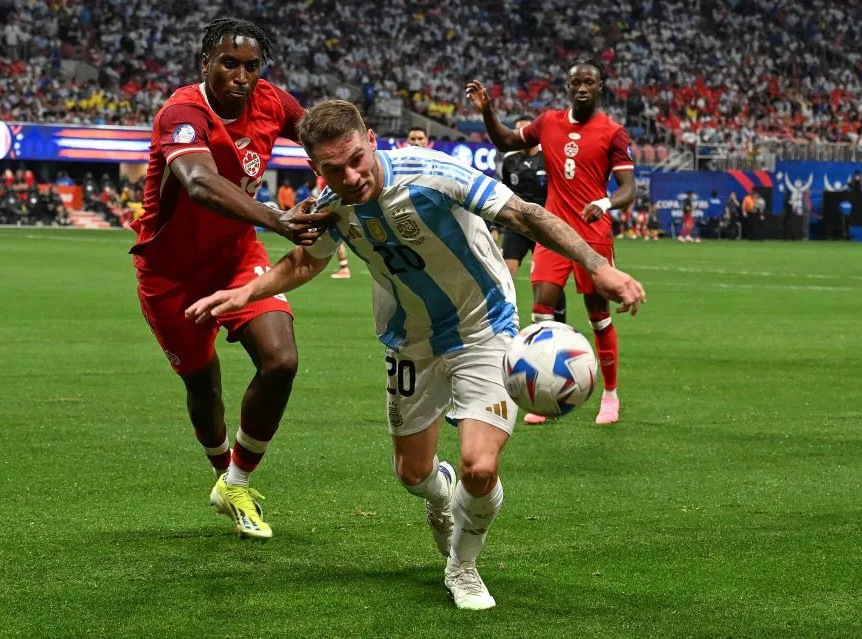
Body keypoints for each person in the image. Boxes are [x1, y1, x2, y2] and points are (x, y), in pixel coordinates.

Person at [186, 100, 646, 610]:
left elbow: (525, 214)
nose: (351, 176)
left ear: (371, 140)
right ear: (316, 167)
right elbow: (304, 262)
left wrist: (597, 266)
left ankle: (463, 567)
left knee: (479, 466)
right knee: (412, 473)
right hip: (410, 340)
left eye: (357, 159)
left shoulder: (433, 173)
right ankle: (440, 492)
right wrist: (247, 293)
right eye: (334, 169)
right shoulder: (331, 205)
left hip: (484, 327)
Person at [128, 17, 332, 540]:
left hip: (238, 255)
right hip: (170, 272)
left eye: (251, 66)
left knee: (281, 360)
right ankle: (223, 475)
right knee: (204, 385)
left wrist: (330, 184)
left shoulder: (272, 102)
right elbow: (199, 181)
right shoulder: (182, 113)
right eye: (229, 64)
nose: (241, 76)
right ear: (206, 64)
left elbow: (321, 139)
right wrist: (278, 218)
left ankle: (237, 482)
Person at [467, 58, 636, 425]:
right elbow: (505, 141)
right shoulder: (547, 122)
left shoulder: (613, 132)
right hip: (552, 231)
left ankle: (610, 394)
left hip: (593, 234)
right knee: (542, 312)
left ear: (600, 87)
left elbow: (629, 189)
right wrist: (488, 111)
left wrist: (605, 202)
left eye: (589, 82)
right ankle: (542, 392)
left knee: (599, 317)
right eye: (576, 82)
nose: (582, 88)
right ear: (567, 86)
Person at [498, 116, 566, 323]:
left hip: (543, 226)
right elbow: (503, 192)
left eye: (525, 131)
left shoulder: (549, 158)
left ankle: (559, 322)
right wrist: (495, 226)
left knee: (549, 278)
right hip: (516, 225)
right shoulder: (509, 161)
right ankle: (502, 321)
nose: (521, 136)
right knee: (504, 272)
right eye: (517, 132)